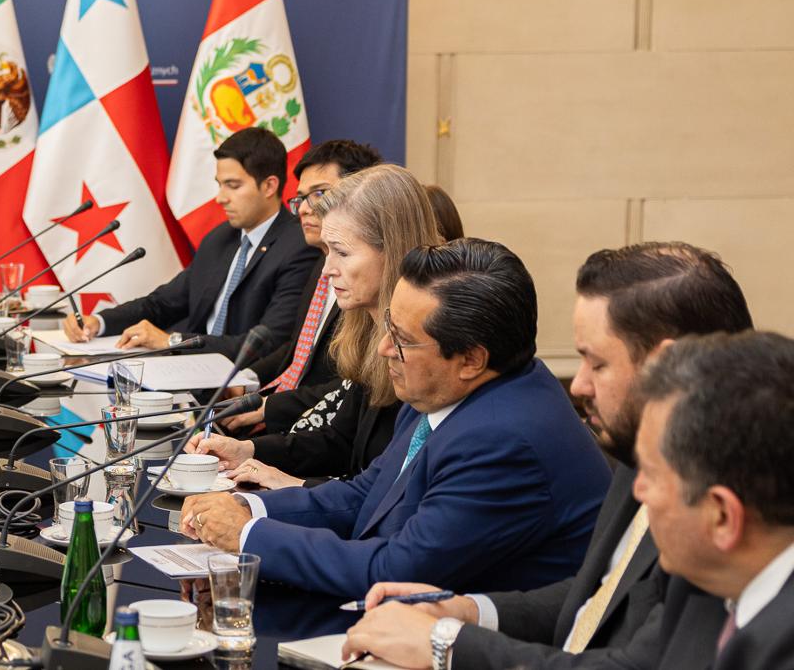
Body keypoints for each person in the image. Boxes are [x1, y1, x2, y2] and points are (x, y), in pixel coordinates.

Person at [341, 244, 753, 667]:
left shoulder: (724, 507)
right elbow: (599, 600)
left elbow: (634, 663)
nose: (579, 386)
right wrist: (469, 610)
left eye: (597, 364)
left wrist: (446, 644)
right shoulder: (641, 455)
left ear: (662, 364)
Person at [178, 238, 610, 598]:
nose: (384, 348)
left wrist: (249, 535)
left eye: (402, 339)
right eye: (388, 326)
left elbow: (396, 570)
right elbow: (366, 495)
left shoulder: (503, 442)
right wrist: (248, 506)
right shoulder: (448, 388)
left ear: (471, 359)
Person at [185, 164, 443, 488]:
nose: (326, 270)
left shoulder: (422, 350)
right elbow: (340, 439)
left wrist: (292, 486)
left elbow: (383, 492)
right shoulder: (366, 330)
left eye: (342, 253)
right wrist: (246, 451)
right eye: (327, 251)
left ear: (392, 251)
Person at [63, 127, 320, 359]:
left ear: (269, 186)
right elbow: (161, 304)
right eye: (220, 185)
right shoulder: (220, 239)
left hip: (245, 381)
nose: (220, 198)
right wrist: (98, 322)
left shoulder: (299, 246)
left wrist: (173, 341)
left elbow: (271, 341)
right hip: (191, 373)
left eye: (233, 186)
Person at [224, 139, 383, 433]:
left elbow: (352, 383)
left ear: (360, 194)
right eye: (300, 198)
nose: (305, 209)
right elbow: (298, 350)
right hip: (286, 408)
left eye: (319, 194)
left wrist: (271, 408)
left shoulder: (370, 279)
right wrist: (245, 379)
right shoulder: (318, 264)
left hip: (322, 427)